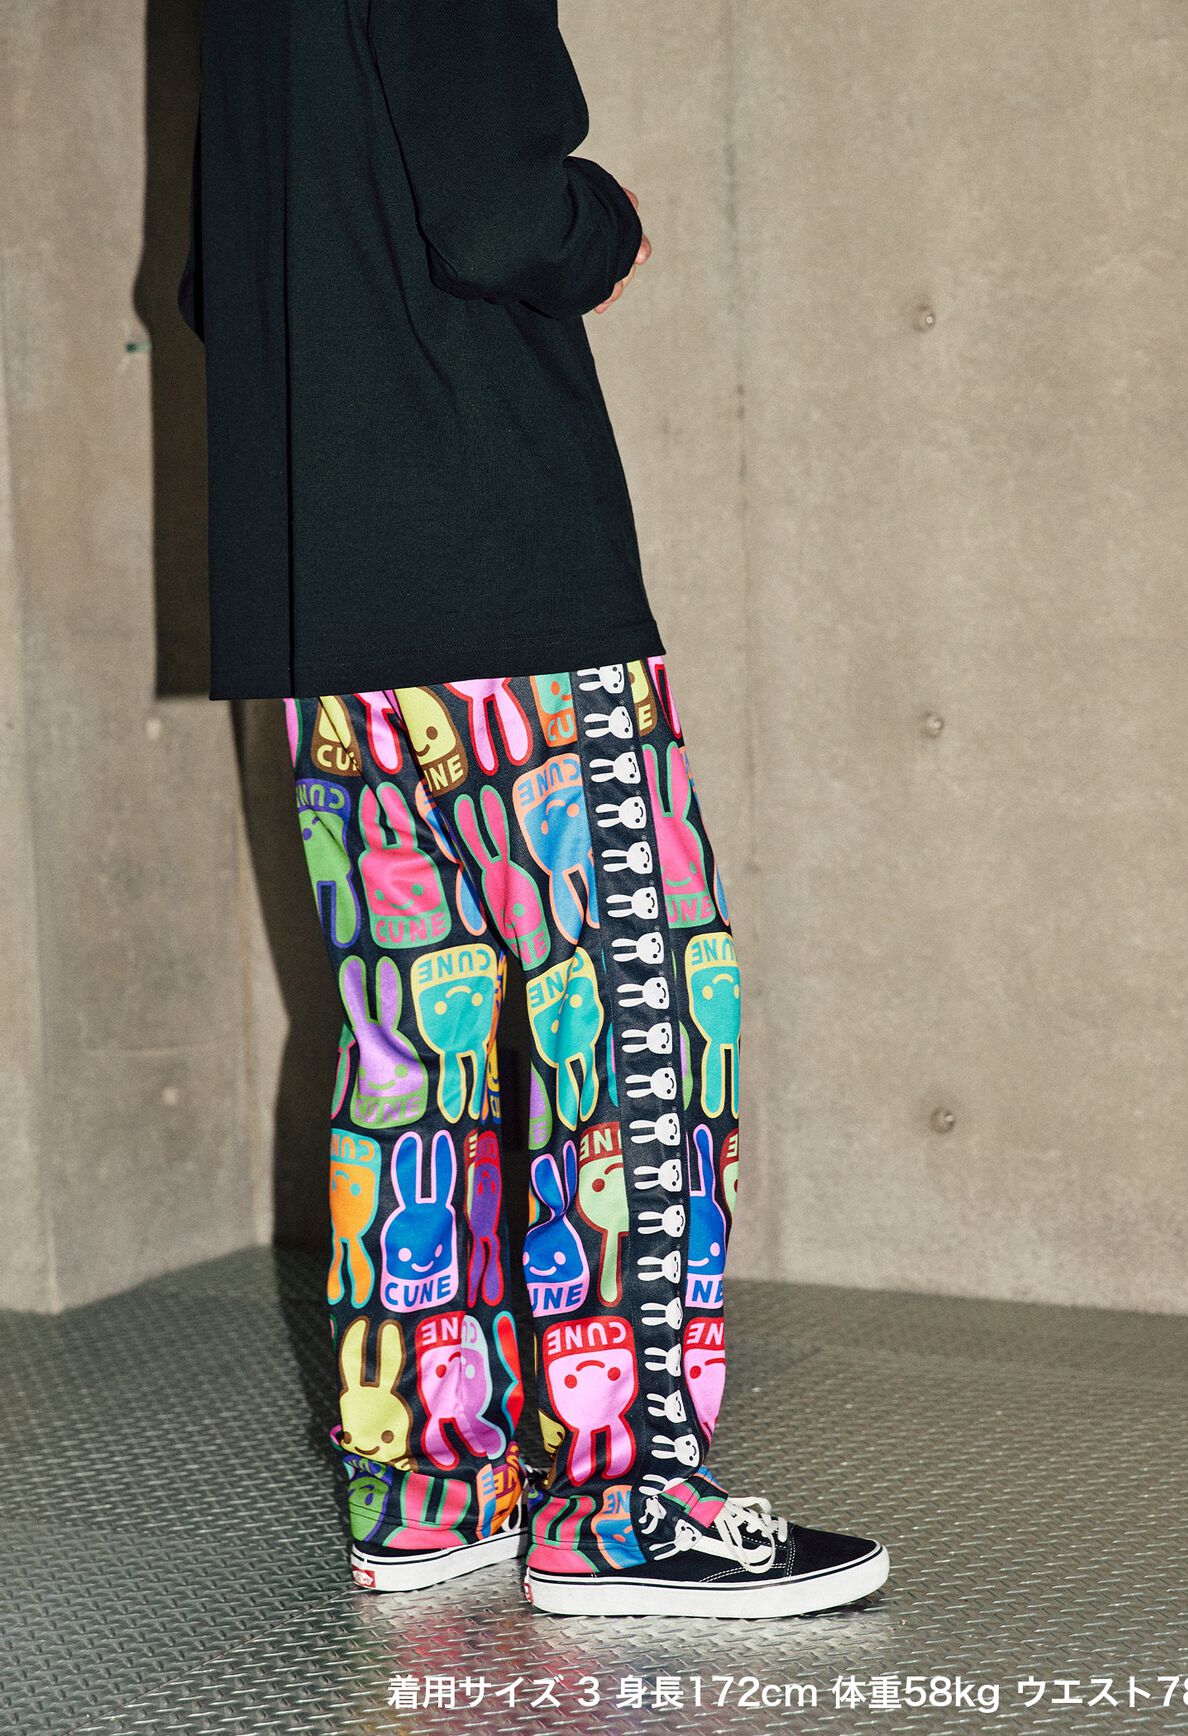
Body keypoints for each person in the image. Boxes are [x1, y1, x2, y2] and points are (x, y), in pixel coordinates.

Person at [178, 0, 889, 1619]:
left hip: (324, 598)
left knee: (403, 1046)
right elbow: (504, 215)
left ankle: (430, 1488)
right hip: (503, 573)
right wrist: (604, 223)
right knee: (636, 1020)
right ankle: (628, 1500)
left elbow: (226, 281)